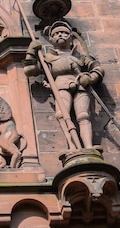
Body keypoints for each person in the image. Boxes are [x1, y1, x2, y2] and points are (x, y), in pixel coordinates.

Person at [24, 20, 104, 148]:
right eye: (57, 33)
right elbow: (29, 70)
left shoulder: (80, 56)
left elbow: (98, 69)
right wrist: (31, 52)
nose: (60, 35)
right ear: (51, 38)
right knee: (62, 115)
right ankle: (72, 147)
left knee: (83, 115)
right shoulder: (48, 58)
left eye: (64, 33)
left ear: (70, 37)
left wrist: (90, 78)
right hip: (60, 86)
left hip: (80, 86)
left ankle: (88, 147)